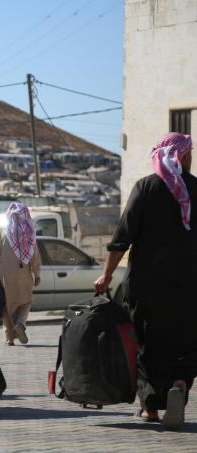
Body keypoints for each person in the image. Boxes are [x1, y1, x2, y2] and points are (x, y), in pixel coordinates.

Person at [94, 132, 197, 431]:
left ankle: (150, 408)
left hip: (146, 287)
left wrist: (106, 274)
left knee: (145, 344)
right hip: (189, 286)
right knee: (187, 341)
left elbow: (122, 238)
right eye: (190, 153)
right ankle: (179, 382)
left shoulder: (146, 187)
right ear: (182, 156)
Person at [0, 202, 41, 346]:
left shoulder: (1, 229)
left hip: (5, 275)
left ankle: (9, 338)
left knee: (7, 306)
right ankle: (20, 324)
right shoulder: (29, 232)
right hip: (24, 274)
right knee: (26, 301)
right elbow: (35, 256)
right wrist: (37, 274)